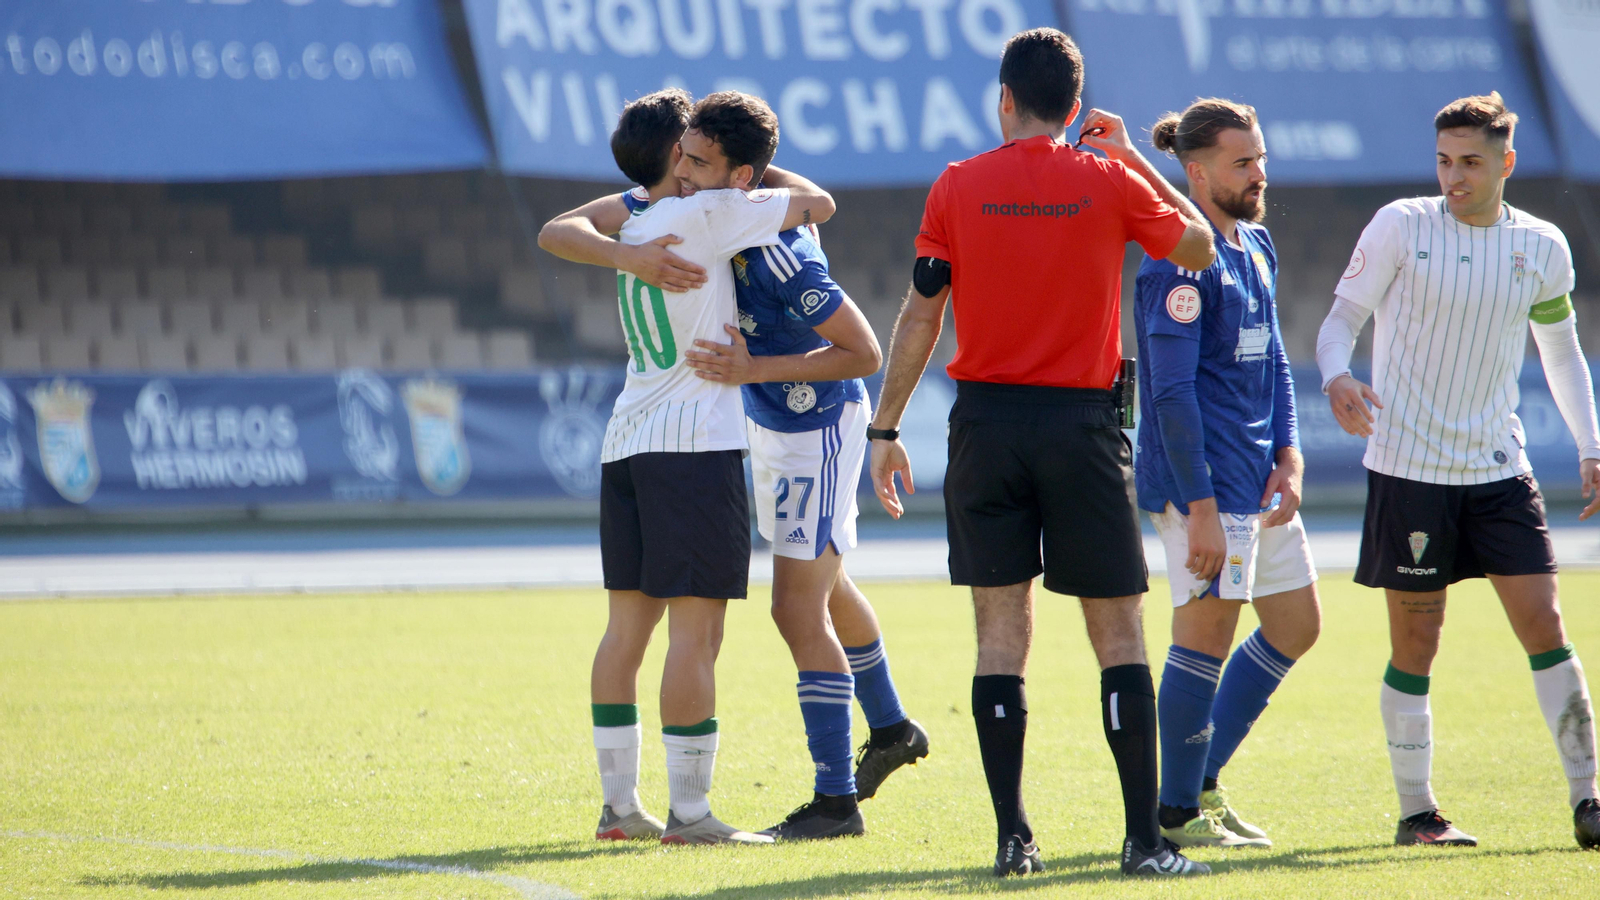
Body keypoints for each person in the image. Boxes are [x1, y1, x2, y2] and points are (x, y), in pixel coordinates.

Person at [869, 27, 1217, 877]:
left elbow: (921, 315)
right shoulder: (1107, 180)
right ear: (1074, 106)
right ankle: (1142, 843)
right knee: (1119, 631)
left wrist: (883, 430)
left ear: (1004, 101)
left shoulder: (957, 185)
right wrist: (1133, 160)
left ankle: (1012, 841)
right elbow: (1203, 248)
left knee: (999, 634)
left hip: (985, 427)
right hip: (1082, 429)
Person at [552, 96, 931, 842]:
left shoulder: (648, 218)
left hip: (782, 424)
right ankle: (877, 730)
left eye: (702, 162)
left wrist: (763, 370)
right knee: (800, 589)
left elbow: (860, 350)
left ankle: (830, 798)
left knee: (794, 603)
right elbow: (814, 198)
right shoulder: (707, 214)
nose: (689, 174)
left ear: (739, 176)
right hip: (716, 435)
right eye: (684, 160)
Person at [1316, 91, 1600, 849]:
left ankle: (1588, 801)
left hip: (1498, 471)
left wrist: (1590, 445)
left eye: (1471, 163)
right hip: (1408, 473)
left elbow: (1562, 352)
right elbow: (1341, 319)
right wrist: (1337, 376)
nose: (1454, 177)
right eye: (1444, 161)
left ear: (1507, 163)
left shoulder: (1541, 246)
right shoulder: (1401, 227)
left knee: (1545, 624)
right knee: (1418, 645)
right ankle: (1417, 814)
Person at [1132, 98, 1320, 851]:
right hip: (1204, 483)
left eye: (1261, 158)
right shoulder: (1177, 256)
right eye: (1243, 162)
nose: (1258, 173)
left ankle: (1199, 778)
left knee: (1297, 623)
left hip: (1260, 475)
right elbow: (1169, 391)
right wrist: (1201, 507)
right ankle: (1174, 813)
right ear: (1196, 169)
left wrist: (1292, 451)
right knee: (1204, 639)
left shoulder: (1257, 243)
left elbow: (1273, 355)